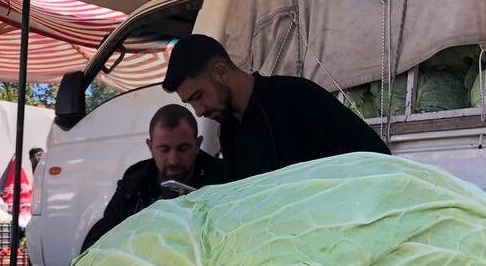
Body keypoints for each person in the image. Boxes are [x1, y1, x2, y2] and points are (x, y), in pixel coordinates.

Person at [162, 34, 389, 182]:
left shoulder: (296, 97)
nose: (199, 111)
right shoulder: (229, 131)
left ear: (221, 73)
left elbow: (378, 159)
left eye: (198, 97)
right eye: (190, 103)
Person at [81, 104, 226, 252]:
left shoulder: (222, 179)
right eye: (164, 149)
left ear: (198, 144)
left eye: (183, 149)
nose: (173, 160)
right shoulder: (134, 183)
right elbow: (103, 236)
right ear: (150, 146)